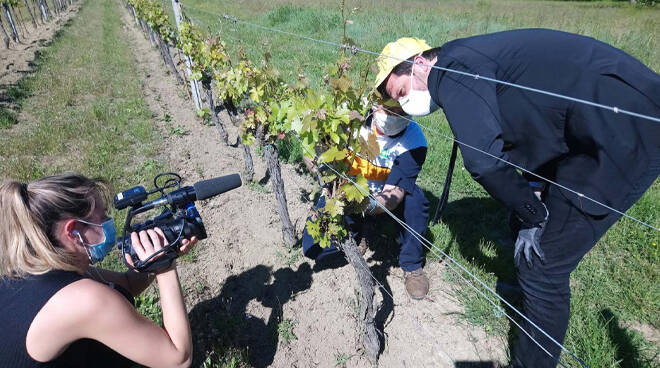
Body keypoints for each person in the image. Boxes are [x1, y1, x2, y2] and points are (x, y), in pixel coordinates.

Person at [374, 30, 660, 367]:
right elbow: (529, 119)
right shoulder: (464, 58)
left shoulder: (452, 71)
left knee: (545, 264)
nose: (405, 103)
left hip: (623, 127)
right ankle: (528, 299)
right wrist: (533, 195)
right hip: (588, 121)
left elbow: (483, 161)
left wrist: (534, 214)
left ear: (420, 64)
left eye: (402, 91)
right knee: (522, 218)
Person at [0, 173, 198, 368]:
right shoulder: (81, 299)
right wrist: (164, 266)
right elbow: (178, 360)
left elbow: (127, 284)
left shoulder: (32, 269)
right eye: (102, 216)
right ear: (73, 231)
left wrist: (157, 253)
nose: (108, 221)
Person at [302, 107, 431, 300]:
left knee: (416, 200)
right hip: (343, 192)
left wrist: (364, 205)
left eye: (400, 109)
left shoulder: (415, 141)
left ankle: (412, 263)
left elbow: (394, 194)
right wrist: (316, 161)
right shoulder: (349, 115)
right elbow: (311, 150)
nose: (393, 114)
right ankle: (356, 236)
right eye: (388, 107)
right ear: (376, 102)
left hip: (382, 200)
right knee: (313, 249)